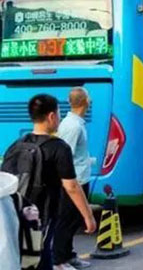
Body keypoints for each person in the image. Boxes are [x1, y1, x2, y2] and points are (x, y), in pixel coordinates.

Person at [1, 94, 96, 270]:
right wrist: (88, 216)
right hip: (43, 214)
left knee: (21, 257)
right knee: (41, 255)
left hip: (16, 210)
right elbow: (71, 186)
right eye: (59, 114)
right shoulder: (59, 148)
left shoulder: (16, 145)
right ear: (52, 116)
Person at [54, 87, 93, 270]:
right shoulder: (73, 126)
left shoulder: (77, 123)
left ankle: (68, 255)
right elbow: (64, 155)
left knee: (73, 221)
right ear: (85, 101)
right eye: (88, 98)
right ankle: (58, 260)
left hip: (80, 178)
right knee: (66, 221)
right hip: (73, 182)